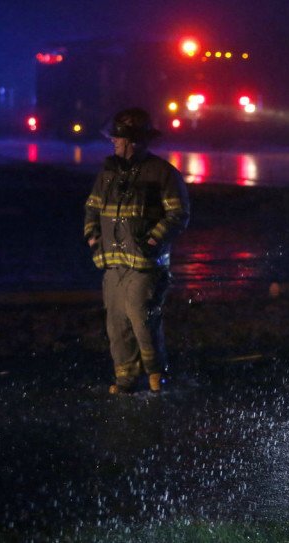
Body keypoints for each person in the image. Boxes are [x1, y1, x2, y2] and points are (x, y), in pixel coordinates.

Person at [84, 107, 190, 393]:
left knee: (142, 319)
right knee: (116, 323)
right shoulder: (108, 174)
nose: (113, 141)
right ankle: (126, 378)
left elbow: (178, 214)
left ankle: (156, 373)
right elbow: (92, 209)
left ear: (134, 140)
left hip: (145, 264)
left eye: (118, 137)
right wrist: (94, 238)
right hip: (113, 262)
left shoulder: (162, 173)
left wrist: (152, 241)